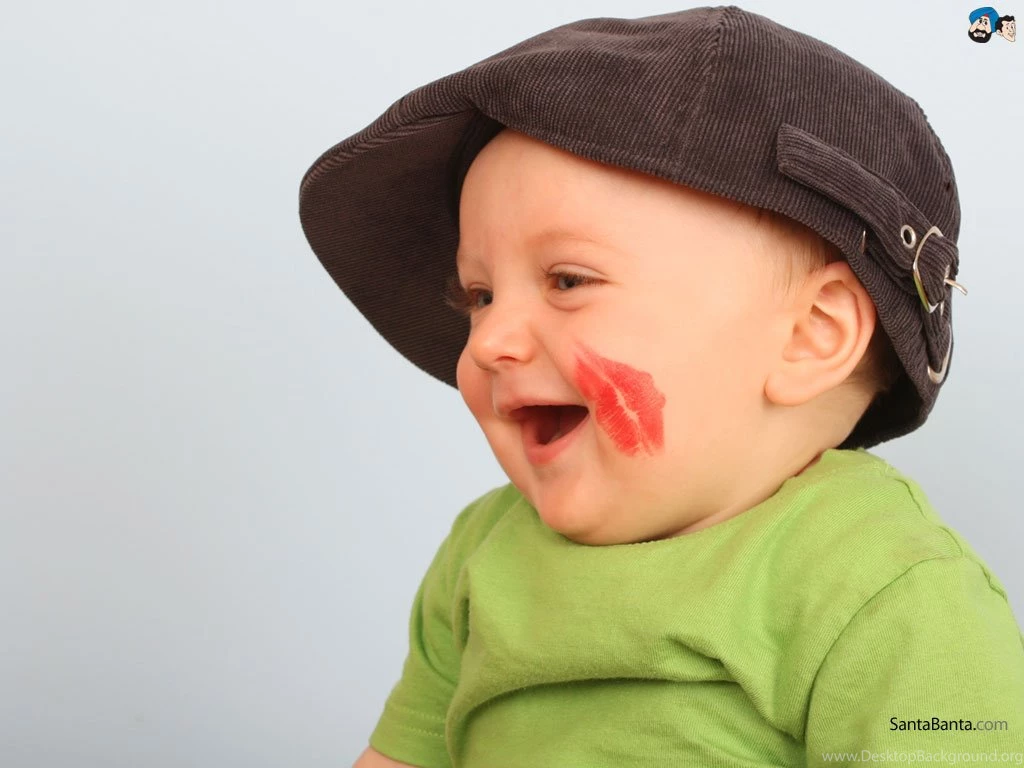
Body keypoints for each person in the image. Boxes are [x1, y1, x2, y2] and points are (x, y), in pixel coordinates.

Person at [297, 6, 1024, 767]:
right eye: (479, 296)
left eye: (567, 280)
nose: (486, 341)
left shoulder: (888, 592)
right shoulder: (484, 553)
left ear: (811, 334)